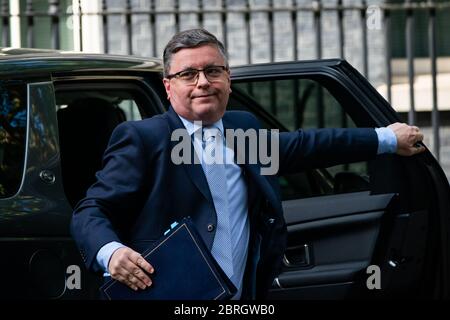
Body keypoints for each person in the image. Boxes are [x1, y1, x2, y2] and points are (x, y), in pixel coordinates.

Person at [70, 28, 425, 300]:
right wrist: (110, 253)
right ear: (167, 86)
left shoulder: (244, 128)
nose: (203, 82)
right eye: (188, 74)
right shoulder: (144, 138)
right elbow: (91, 210)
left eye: (213, 70)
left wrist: (388, 138)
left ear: (228, 77)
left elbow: (306, 146)